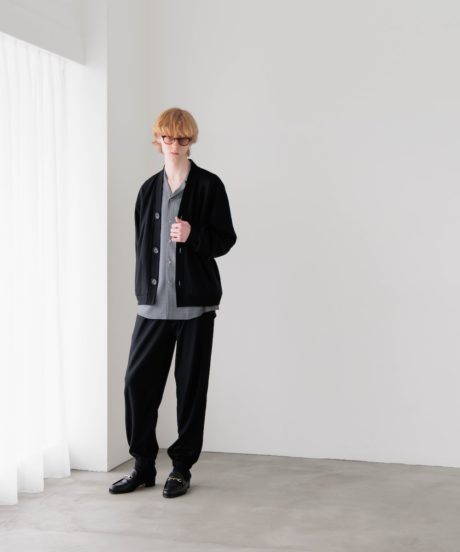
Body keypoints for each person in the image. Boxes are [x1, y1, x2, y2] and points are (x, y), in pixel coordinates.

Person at [109, 107, 237, 498]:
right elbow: (140, 245)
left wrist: (193, 234)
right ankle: (143, 466)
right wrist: (142, 291)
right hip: (153, 307)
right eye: (168, 138)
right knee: (137, 384)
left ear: (190, 141)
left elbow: (225, 240)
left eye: (182, 139)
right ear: (159, 140)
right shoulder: (148, 190)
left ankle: (181, 468)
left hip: (195, 308)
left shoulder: (209, 186)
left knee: (190, 390)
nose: (175, 145)